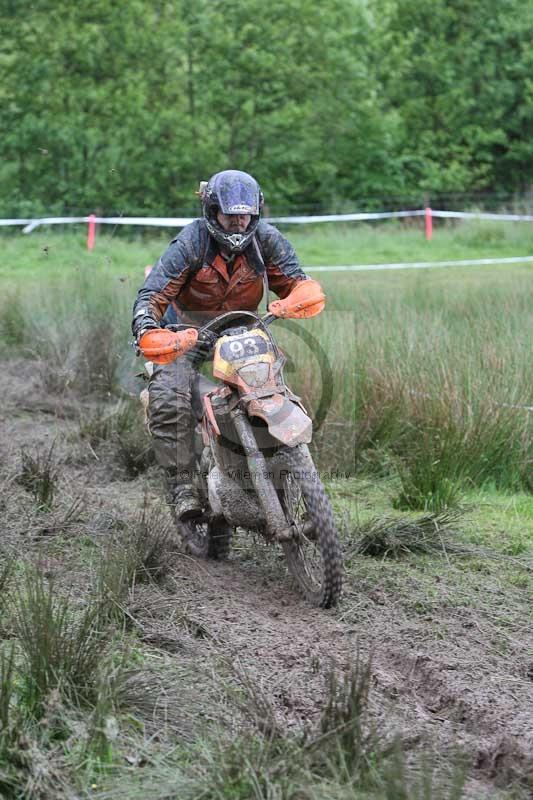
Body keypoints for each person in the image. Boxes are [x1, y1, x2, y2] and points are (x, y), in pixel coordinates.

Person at [132, 169, 318, 520]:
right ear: (213, 211)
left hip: (244, 331)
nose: (237, 223)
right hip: (188, 334)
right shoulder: (191, 242)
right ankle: (183, 486)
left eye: (244, 215)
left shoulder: (266, 240)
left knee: (273, 389)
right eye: (230, 215)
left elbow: (295, 280)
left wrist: (302, 294)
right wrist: (147, 325)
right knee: (169, 394)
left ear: (256, 213)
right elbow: (152, 295)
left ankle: (287, 471)